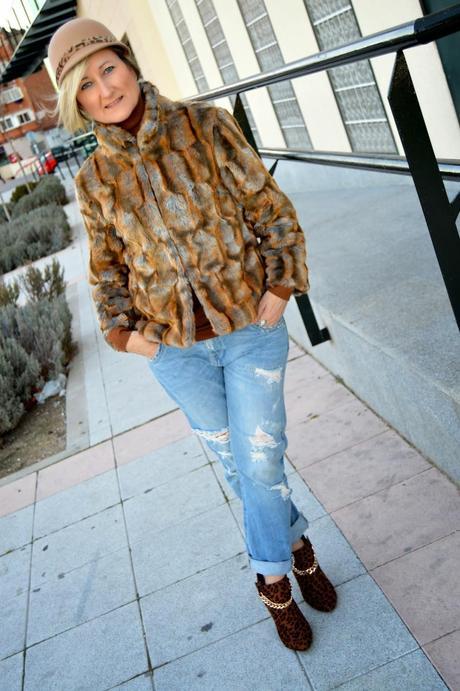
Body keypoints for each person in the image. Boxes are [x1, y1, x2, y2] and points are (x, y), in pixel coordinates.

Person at [48, 17, 337, 652]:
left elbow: (270, 208)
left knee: (259, 453)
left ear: (127, 62)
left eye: (109, 68)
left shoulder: (203, 126)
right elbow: (106, 275)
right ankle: (299, 545)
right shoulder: (95, 180)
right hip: (175, 352)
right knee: (241, 466)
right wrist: (133, 341)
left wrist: (278, 290)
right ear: (77, 103)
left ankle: (273, 583)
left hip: (248, 329)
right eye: (86, 85)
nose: (104, 88)